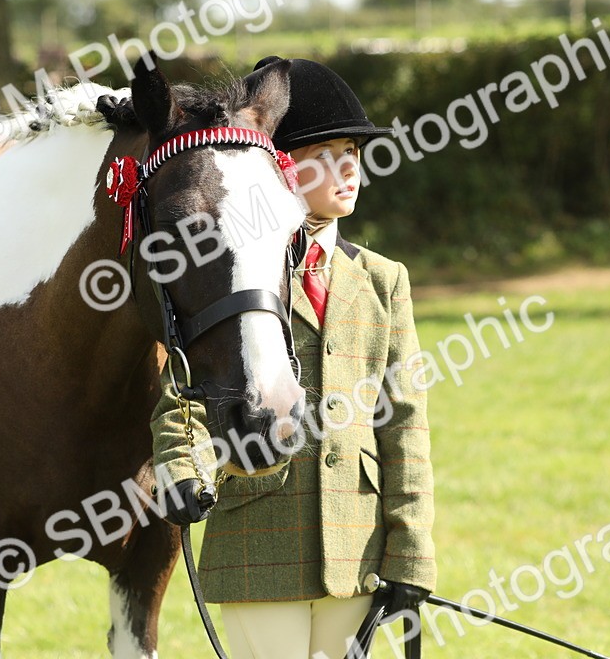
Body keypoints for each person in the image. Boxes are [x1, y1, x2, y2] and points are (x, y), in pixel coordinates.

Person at [150, 57, 437, 659]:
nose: (350, 167)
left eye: (354, 151)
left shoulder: (384, 281)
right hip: (258, 541)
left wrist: (412, 558)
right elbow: (177, 400)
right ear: (278, 170)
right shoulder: (224, 278)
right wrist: (181, 471)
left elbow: (405, 424)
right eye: (327, 152)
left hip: (356, 547)